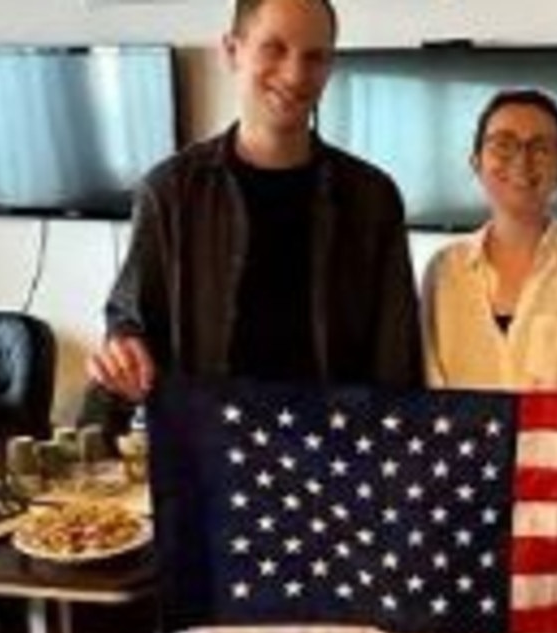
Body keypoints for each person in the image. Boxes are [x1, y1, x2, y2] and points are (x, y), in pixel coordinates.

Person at [88, 0, 422, 402]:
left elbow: (396, 357)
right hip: (205, 447)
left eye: (314, 56)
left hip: (337, 450)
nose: (295, 74)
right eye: (274, 48)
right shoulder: (170, 192)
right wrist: (124, 351)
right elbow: (131, 320)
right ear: (232, 51)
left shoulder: (372, 198)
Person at [422, 89, 557, 391]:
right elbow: (429, 388)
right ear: (476, 161)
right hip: (463, 438)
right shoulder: (444, 269)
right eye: (503, 145)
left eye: (541, 147)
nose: (521, 160)